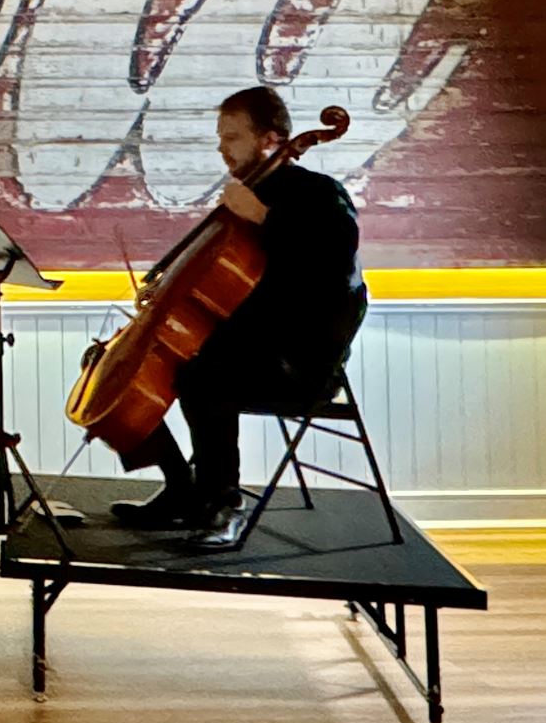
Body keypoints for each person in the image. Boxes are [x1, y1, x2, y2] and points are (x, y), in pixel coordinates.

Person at [109, 85, 369, 548]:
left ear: (270, 139)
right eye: (220, 137)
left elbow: (332, 257)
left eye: (231, 137)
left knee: (202, 375)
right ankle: (182, 487)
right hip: (249, 344)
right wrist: (167, 298)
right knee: (130, 367)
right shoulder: (248, 195)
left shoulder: (317, 193)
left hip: (300, 359)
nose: (221, 148)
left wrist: (264, 217)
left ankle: (224, 503)